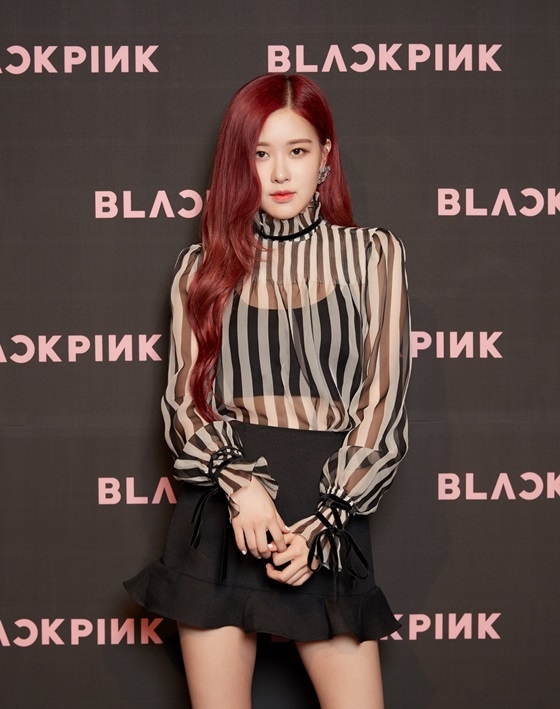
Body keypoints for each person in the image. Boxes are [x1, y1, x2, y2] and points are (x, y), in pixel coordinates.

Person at [125, 73, 411, 709]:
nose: (280, 172)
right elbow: (184, 404)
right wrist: (241, 487)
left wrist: (326, 524)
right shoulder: (200, 268)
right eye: (260, 153)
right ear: (239, 161)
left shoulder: (372, 255)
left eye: (298, 150)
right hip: (223, 509)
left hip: (325, 509)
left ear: (326, 155)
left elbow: (383, 404)